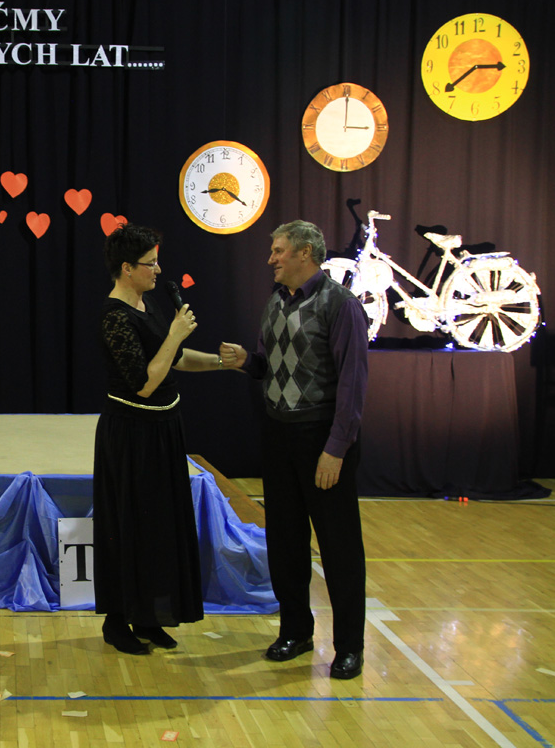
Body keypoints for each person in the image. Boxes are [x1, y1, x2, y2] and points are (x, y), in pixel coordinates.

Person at [219, 220, 369, 680]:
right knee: (285, 543)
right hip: (279, 435)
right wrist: (247, 362)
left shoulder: (341, 305)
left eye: (279, 251)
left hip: (322, 438)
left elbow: (353, 385)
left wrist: (336, 449)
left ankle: (349, 647)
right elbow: (269, 367)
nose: (271, 259)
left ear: (305, 253)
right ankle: (296, 632)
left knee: (339, 548)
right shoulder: (275, 302)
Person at [93, 223, 230, 655]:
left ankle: (149, 616)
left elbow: (175, 360)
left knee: (159, 528)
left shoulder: (146, 303)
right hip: (132, 435)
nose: (158, 270)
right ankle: (118, 622)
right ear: (126, 268)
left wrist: (222, 363)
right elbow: (145, 383)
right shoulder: (114, 316)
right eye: (150, 264)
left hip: (163, 430)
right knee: (129, 526)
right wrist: (174, 333)